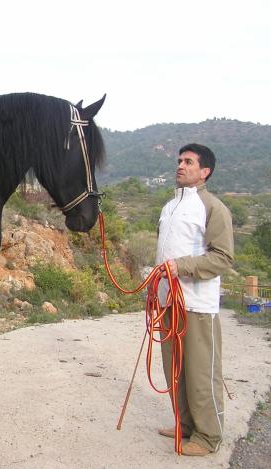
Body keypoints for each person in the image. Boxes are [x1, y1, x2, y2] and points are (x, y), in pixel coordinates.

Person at [155, 143, 234, 456]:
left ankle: (208, 436)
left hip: (197, 304)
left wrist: (182, 266)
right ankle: (185, 425)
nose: (181, 165)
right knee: (173, 369)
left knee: (200, 372)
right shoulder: (168, 207)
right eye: (179, 161)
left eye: (188, 161)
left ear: (205, 171)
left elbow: (223, 257)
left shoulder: (213, 208)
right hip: (167, 303)